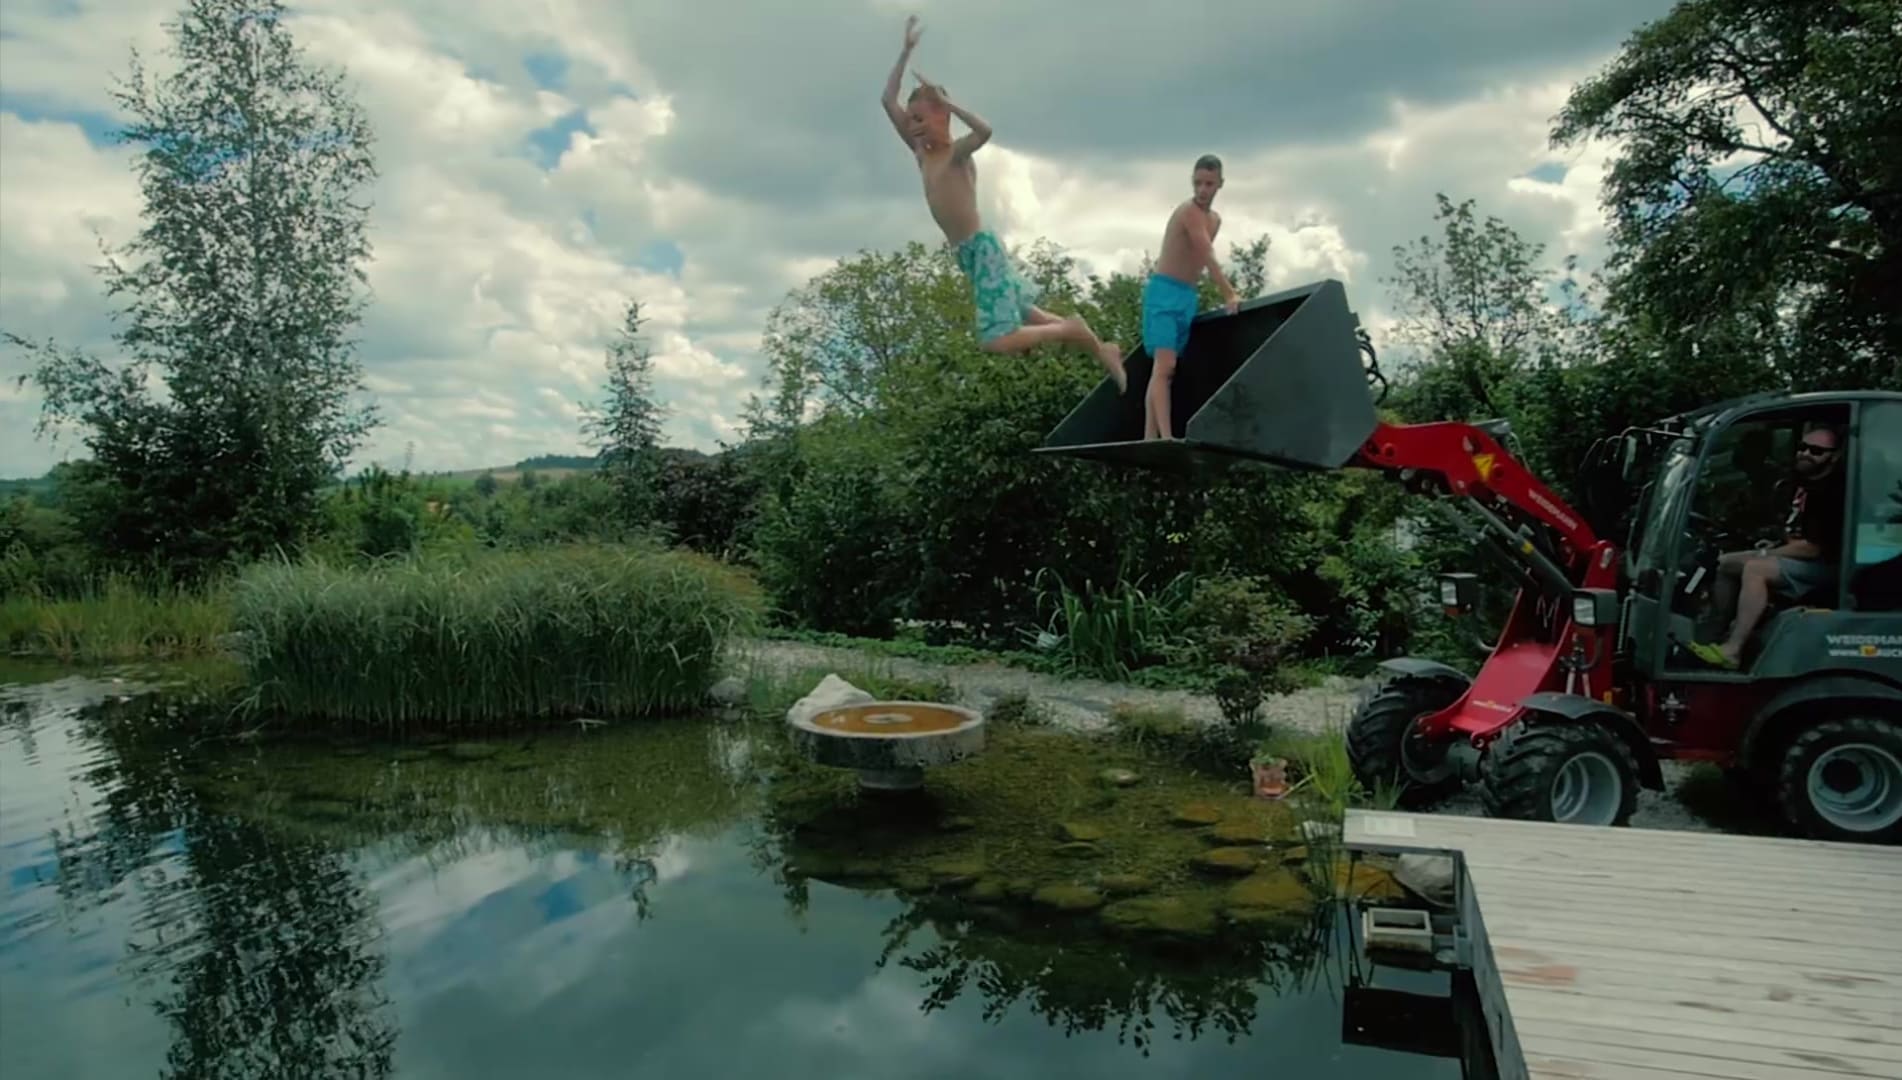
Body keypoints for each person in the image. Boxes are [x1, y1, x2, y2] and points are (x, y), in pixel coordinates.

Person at [879, 16, 1127, 391]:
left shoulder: (955, 154)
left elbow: (985, 130)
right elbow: (887, 100)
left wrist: (950, 103)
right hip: (969, 256)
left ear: (942, 116)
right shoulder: (922, 154)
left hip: (983, 251)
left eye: (920, 119)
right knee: (1030, 313)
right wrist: (905, 52)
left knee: (996, 338)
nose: (912, 126)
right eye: (910, 120)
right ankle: (1102, 350)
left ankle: (1071, 329)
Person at [1688, 421, 1848, 669]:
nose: (1805, 454)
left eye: (1816, 451)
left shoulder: (1832, 493)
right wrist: (1771, 543)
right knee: (1727, 563)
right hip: (1803, 556)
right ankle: (1716, 635)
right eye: (1803, 447)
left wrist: (1765, 552)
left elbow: (1811, 548)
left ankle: (1733, 650)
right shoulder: (1803, 484)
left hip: (1826, 567)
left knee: (1756, 569)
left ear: (1834, 456)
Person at [1142, 154, 1240, 440]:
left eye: (1208, 184)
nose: (1202, 190)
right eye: (1197, 183)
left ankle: (1149, 435)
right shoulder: (1188, 212)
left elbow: (1199, 259)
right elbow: (1207, 253)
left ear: (1220, 184)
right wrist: (1229, 293)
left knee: (1164, 370)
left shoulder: (1215, 220)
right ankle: (1166, 437)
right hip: (1164, 292)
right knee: (1165, 366)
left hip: (1186, 295)